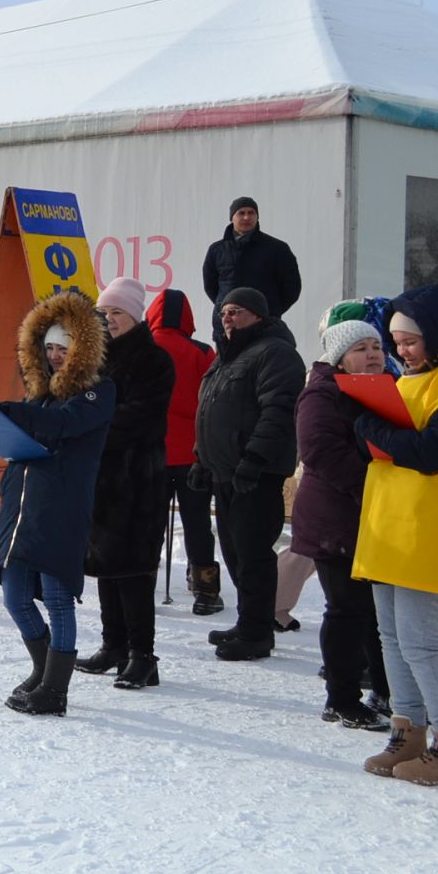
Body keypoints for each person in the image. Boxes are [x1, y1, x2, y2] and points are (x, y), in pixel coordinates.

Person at [0, 291, 117, 717]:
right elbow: (31, 429)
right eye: (50, 348)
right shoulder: (37, 396)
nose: (56, 356)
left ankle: (56, 689)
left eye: (64, 349)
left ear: (82, 351)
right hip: (22, 508)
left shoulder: (99, 391)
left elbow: (63, 425)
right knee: (15, 596)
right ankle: (43, 671)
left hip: (61, 508)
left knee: (57, 598)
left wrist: (8, 411)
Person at [349, 285, 438, 785]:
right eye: (396, 341)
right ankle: (407, 729)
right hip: (388, 525)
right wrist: (373, 429)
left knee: (418, 642)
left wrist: (371, 427)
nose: (400, 351)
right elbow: (388, 443)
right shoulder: (403, 383)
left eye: (409, 341)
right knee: (391, 638)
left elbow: (432, 452)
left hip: (429, 530)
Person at [192, 286, 305, 661]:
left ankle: (258, 632)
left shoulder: (275, 353)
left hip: (255, 474)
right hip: (224, 472)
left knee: (254, 555)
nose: (227, 317)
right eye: (224, 312)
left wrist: (255, 459)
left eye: (237, 311)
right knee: (235, 552)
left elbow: (278, 411)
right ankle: (248, 620)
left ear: (258, 315)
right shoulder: (225, 357)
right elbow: (209, 412)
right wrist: (201, 460)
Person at [291, 317, 393, 730]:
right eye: (360, 349)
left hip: (371, 516)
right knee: (348, 610)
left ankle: (386, 690)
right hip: (335, 517)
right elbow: (319, 450)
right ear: (339, 357)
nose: (371, 355)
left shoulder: (381, 389)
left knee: (376, 611)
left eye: (375, 347)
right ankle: (342, 698)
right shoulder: (322, 393)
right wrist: (374, 487)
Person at [77, 277, 176, 690]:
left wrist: (92, 426)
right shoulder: (98, 358)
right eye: (104, 312)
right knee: (107, 565)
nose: (109, 319)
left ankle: (142, 655)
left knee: (134, 569)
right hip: (103, 477)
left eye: (117, 312)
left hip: (139, 479)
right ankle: (113, 644)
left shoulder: (153, 360)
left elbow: (141, 416)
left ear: (135, 316)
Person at [147, 289, 222, 615]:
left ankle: (143, 580)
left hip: (151, 454)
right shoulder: (204, 352)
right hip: (194, 455)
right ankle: (206, 590)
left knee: (149, 524)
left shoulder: (141, 350)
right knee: (197, 524)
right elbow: (215, 403)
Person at [202, 196, 302, 345]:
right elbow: (211, 287)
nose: (247, 217)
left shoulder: (277, 249)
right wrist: (227, 308)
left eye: (251, 213)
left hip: (264, 327)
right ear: (232, 218)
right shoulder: (217, 250)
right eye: (241, 213)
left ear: (257, 217)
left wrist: (270, 309)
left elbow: (291, 288)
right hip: (227, 328)